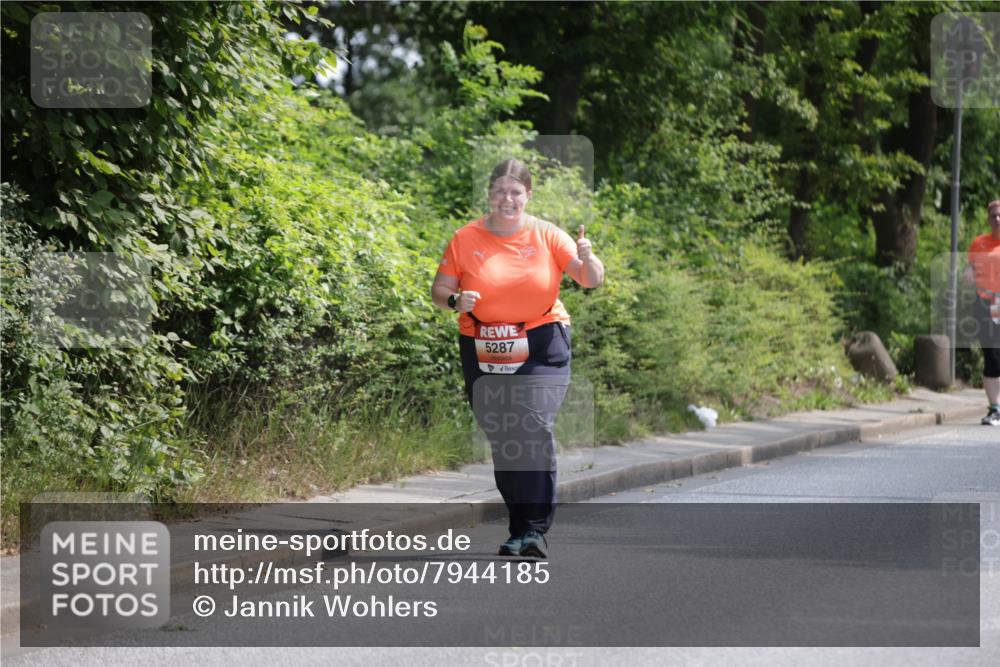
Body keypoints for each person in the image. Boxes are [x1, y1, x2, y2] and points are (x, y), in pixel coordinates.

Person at [431, 159, 605, 558]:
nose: (506, 199)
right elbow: (440, 290)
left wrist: (587, 256)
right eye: (499, 191)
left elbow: (589, 278)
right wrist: (457, 299)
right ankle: (518, 527)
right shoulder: (465, 238)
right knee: (504, 436)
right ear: (489, 194)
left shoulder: (546, 234)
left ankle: (535, 528)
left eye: (515, 192)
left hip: (541, 339)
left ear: (528, 195)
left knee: (532, 425)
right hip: (481, 343)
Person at [963, 199, 1000, 426]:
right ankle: (995, 408)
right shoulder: (979, 243)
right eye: (993, 215)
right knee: (992, 354)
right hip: (987, 304)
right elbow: (970, 265)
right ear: (988, 218)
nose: (997, 218)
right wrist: (968, 271)